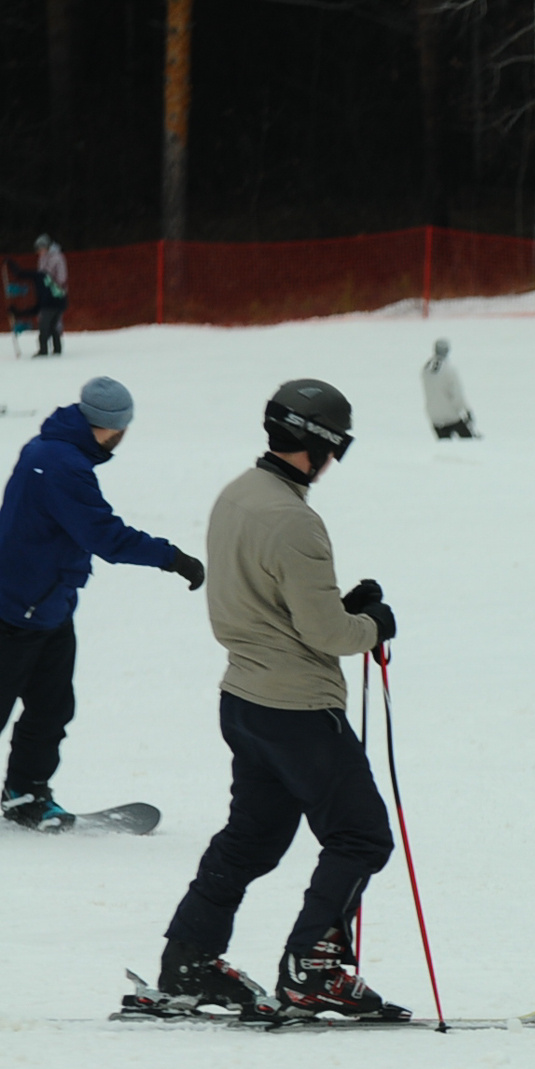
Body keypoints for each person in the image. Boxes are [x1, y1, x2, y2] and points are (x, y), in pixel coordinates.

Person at [155, 379, 405, 1019]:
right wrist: (374, 623)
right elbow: (324, 635)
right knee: (360, 836)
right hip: (297, 708)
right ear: (319, 444)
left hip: (244, 700)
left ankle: (189, 959)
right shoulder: (295, 520)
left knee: (254, 837)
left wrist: (342, 605)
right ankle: (313, 969)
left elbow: (267, 600)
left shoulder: (238, 495)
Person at [0, 378, 204, 831]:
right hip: (18, 610)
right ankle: (24, 791)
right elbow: (105, 537)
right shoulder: (62, 465)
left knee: (51, 709)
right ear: (112, 428)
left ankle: (24, 793)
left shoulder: (50, 449)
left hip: (47, 606)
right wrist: (172, 558)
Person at [420, 338, 477, 438]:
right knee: (469, 442)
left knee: (444, 445)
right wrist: (466, 411)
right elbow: (457, 395)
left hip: (433, 415)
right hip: (451, 415)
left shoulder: (426, 368)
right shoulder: (449, 369)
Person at [32, 235, 69, 357]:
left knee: (48, 322)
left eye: (40, 248)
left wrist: (54, 286)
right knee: (51, 323)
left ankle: (46, 349)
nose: (39, 251)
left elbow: (61, 277)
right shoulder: (42, 258)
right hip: (46, 295)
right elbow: (41, 274)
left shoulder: (57, 258)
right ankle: (55, 349)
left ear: (46, 247)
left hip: (55, 295)